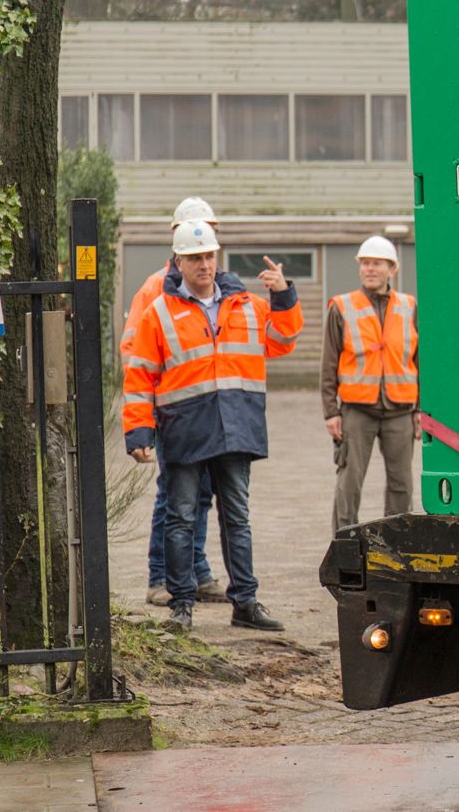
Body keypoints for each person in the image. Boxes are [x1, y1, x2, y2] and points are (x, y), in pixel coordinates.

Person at [123, 220, 302, 632]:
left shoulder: (247, 305)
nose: (204, 264)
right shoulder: (159, 314)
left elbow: (283, 341)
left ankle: (245, 602)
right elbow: (139, 377)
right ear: (179, 262)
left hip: (235, 427)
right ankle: (181, 604)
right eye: (195, 258)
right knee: (181, 518)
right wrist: (138, 431)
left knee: (237, 518)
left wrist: (283, 294)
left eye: (208, 256)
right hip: (184, 429)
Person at [121, 196, 222, 607]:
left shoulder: (216, 286)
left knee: (201, 495)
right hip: (173, 412)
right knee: (173, 496)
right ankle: (159, 577)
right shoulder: (154, 289)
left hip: (210, 412)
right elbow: (134, 354)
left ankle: (195, 571)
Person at [323, 235, 419, 533]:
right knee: (349, 481)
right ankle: (345, 542)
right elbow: (329, 362)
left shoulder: (410, 306)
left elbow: (421, 361)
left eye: (376, 263)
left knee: (402, 484)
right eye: (365, 263)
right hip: (357, 410)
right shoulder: (341, 307)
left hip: (401, 409)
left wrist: (421, 410)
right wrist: (331, 412)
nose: (369, 269)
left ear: (393, 269)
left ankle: (397, 545)